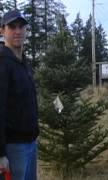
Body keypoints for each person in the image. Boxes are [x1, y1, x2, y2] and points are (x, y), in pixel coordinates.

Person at [0, 10, 39, 180]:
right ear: (2, 31)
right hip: (13, 147)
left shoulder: (24, 63)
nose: (18, 31)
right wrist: (1, 154)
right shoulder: (2, 64)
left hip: (31, 143)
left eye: (21, 26)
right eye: (12, 27)